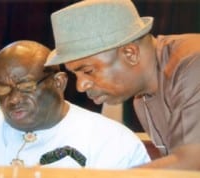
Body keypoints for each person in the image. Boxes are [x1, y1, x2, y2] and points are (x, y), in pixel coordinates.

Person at [0, 40, 149, 169]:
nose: (13, 100)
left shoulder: (111, 141)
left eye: (25, 87)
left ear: (58, 82)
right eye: (2, 89)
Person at [45, 0, 200, 170]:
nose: (81, 86)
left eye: (88, 71)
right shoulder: (141, 98)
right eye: (76, 75)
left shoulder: (192, 61)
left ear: (130, 53)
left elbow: (191, 164)